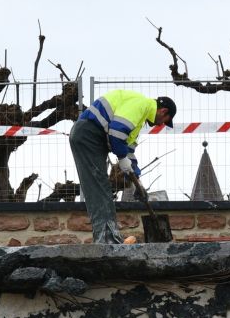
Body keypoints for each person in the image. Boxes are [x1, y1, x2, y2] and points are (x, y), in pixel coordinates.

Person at [68, 89, 177, 244]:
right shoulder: (142, 105)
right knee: (98, 186)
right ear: (163, 111)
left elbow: (128, 149)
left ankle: (108, 237)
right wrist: (122, 157)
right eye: (165, 120)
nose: (161, 124)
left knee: (100, 185)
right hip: (88, 135)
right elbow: (117, 132)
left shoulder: (140, 117)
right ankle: (107, 239)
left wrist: (136, 181)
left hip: (92, 137)